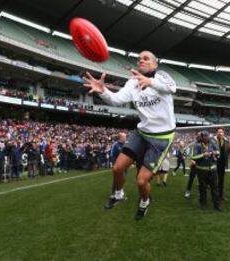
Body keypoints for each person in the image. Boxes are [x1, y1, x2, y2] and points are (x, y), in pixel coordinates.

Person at [83, 50, 176, 220]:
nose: (141, 61)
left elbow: (172, 88)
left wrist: (151, 82)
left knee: (141, 181)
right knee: (117, 168)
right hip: (141, 133)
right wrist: (102, 91)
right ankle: (118, 194)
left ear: (155, 64)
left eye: (146, 58)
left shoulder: (162, 76)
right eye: (139, 59)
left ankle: (145, 202)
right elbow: (116, 99)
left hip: (161, 137)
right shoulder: (132, 82)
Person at [190, 131, 222, 211]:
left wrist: (214, 153)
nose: (207, 138)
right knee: (202, 188)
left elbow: (218, 152)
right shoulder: (196, 145)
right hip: (202, 170)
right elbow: (193, 156)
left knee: (215, 188)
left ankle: (217, 205)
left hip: (213, 169)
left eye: (207, 136)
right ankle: (203, 204)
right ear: (201, 137)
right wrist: (203, 155)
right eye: (205, 136)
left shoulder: (212, 143)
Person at [214, 127, 230, 201]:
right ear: (216, 133)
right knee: (214, 180)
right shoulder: (213, 140)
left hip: (222, 163)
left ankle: (221, 195)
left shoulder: (226, 141)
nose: (220, 133)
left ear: (224, 133)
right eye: (219, 132)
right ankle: (215, 195)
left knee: (221, 180)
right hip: (214, 163)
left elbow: (228, 152)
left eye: (221, 132)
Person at [109, 132, 127, 198]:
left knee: (123, 179)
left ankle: (121, 192)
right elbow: (111, 155)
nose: (126, 138)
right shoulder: (115, 145)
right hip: (117, 166)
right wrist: (114, 165)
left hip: (124, 165)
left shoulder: (126, 144)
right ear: (121, 137)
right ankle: (113, 193)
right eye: (125, 137)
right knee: (116, 180)